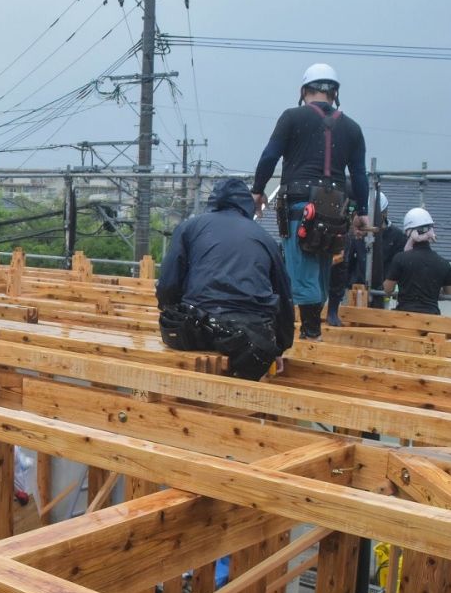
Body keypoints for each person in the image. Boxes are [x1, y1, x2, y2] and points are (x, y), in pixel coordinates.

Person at [251, 63, 367, 340]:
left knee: (302, 273)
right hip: (336, 210)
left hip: (301, 207)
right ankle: (312, 329)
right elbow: (360, 174)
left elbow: (270, 156)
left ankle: (311, 333)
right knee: (322, 271)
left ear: (304, 91)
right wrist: (361, 211)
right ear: (335, 93)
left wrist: (257, 190)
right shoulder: (352, 128)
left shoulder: (292, 117)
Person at [156, 178, 294, 380]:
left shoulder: (190, 227)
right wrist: (279, 347)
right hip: (251, 337)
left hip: (197, 329)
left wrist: (172, 313)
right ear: (247, 205)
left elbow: (168, 285)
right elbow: (284, 297)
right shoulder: (266, 238)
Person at [383, 207, 451, 314]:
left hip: (405, 317)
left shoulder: (400, 259)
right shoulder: (444, 263)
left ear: (409, 232)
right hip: (432, 319)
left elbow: (387, 289)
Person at [327, 213, 368, 326]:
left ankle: (332, 313)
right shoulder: (342, 228)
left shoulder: (349, 239)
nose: (359, 233)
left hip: (338, 278)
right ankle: (331, 313)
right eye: (359, 229)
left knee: (339, 274)